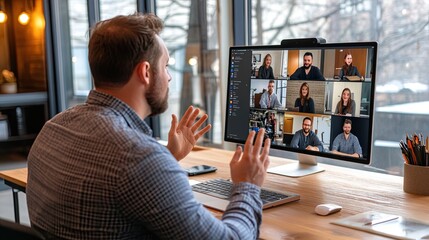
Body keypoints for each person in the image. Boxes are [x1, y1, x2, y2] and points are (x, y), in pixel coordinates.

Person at [26, 13, 271, 239]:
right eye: (165, 66)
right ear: (145, 72)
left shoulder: (53, 127)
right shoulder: (137, 156)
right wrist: (247, 185)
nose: (169, 76)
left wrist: (167, 158)